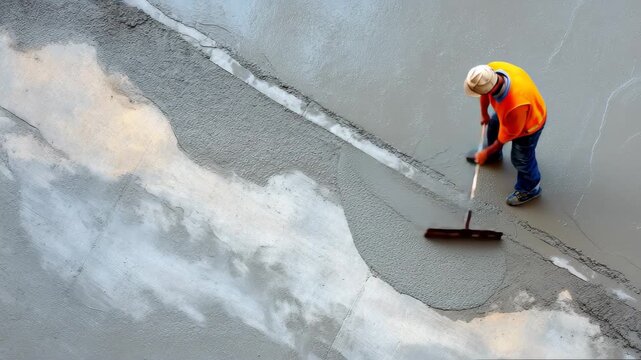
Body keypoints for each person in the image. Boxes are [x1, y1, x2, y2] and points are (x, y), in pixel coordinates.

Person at [463, 62, 547, 206]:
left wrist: (486, 152)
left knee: (521, 157)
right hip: (508, 113)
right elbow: (484, 94)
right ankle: (494, 157)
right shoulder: (491, 71)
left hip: (529, 124)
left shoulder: (514, 105)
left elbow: (506, 136)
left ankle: (530, 188)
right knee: (493, 127)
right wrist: (484, 114)